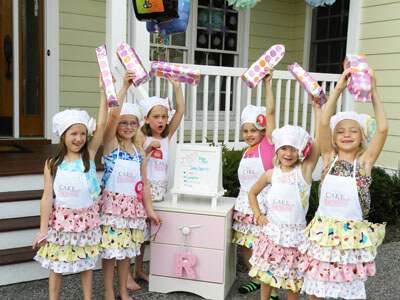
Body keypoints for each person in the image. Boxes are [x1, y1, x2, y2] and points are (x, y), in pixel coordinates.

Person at [300, 68, 387, 300]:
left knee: (348, 288)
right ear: (334, 138)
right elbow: (324, 123)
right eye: (340, 132)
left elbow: (383, 128)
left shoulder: (364, 163)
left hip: (351, 235)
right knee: (316, 287)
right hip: (323, 233)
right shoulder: (328, 158)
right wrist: (338, 88)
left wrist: (374, 92)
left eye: (353, 131)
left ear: (361, 137)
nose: (346, 135)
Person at [32, 77, 108, 300]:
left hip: (86, 219)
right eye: (73, 134)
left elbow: (102, 125)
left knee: (86, 262)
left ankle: (87, 297)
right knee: (57, 264)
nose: (79, 138)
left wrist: (103, 92)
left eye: (83, 133)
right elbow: (47, 198)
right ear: (63, 136)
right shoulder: (52, 164)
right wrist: (43, 229)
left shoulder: (89, 156)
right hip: (61, 221)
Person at [248, 101, 321, 300]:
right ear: (277, 151)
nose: (288, 153)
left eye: (293, 149)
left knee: (293, 280)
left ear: (300, 152)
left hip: (295, 237)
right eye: (284, 149)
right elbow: (252, 193)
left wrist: (317, 110)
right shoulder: (271, 174)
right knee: (266, 276)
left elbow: (319, 143)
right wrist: (258, 214)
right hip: (271, 233)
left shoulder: (304, 172)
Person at [100, 71, 160, 300]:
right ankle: (108, 292)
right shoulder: (111, 146)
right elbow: (112, 117)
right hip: (113, 210)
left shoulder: (138, 153)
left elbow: (143, 184)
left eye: (132, 123)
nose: (126, 126)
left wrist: (150, 211)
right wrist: (123, 88)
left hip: (133, 210)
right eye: (123, 123)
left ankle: (123, 292)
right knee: (110, 254)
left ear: (138, 126)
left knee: (125, 254)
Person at [126, 76, 184, 287]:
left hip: (161, 193)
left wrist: (177, 87)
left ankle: (139, 269)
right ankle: (127, 274)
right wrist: (146, 150)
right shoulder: (140, 137)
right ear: (147, 119)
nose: (161, 121)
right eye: (156, 117)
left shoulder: (166, 137)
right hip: (144, 193)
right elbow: (137, 161)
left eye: (164, 117)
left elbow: (180, 111)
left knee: (147, 236)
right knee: (136, 235)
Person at [232, 75, 279, 298]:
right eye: (246, 131)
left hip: (263, 204)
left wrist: (268, 84)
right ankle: (256, 279)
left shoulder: (268, 146)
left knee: (265, 246)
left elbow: (270, 114)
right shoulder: (246, 151)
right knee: (246, 244)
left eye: (254, 130)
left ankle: (270, 285)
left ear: (262, 131)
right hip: (244, 203)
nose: (250, 134)